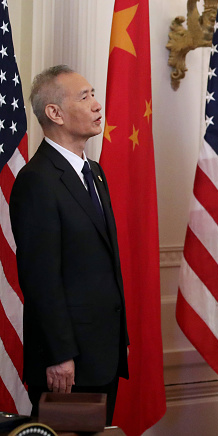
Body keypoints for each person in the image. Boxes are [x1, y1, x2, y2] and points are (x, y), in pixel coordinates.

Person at [9, 65, 129, 424]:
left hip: (103, 353)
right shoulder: (37, 181)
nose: (96, 104)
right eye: (84, 96)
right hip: (67, 363)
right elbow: (41, 279)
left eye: (93, 94)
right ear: (55, 113)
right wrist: (60, 355)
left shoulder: (95, 171)